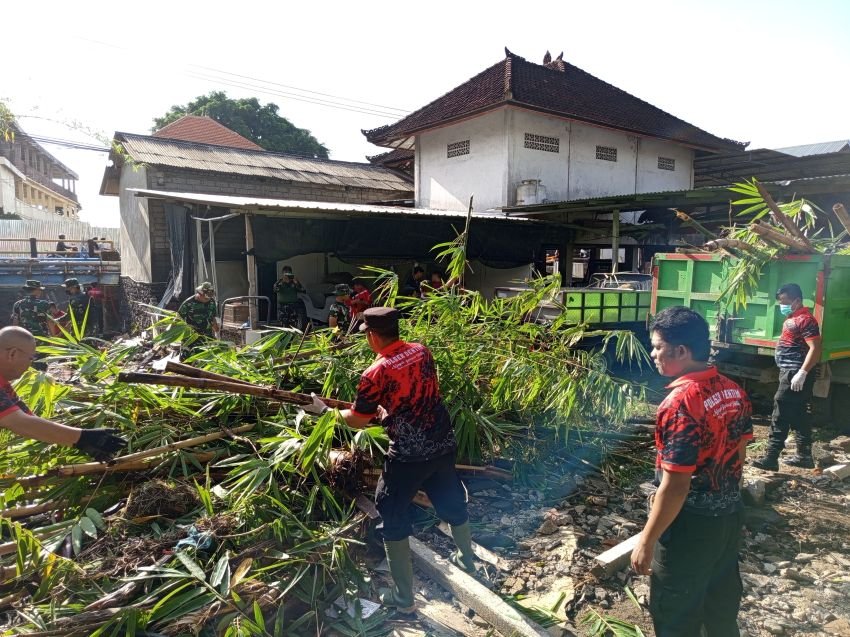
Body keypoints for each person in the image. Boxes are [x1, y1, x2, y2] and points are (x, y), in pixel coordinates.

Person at [305, 307, 474, 614]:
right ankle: (468, 560)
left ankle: (403, 598)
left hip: (408, 456)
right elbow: (418, 394)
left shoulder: (375, 374)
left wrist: (323, 412)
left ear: (371, 336)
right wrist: (385, 411)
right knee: (449, 498)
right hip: (443, 441)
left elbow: (356, 420)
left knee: (391, 513)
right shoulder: (422, 351)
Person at [631, 306, 752, 637]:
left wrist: (647, 540)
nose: (653, 354)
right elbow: (739, 454)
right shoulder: (733, 390)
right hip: (728, 516)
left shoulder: (680, 404)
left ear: (681, 351)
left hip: (690, 528)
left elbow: (676, 485)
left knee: (674, 614)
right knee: (720, 607)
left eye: (657, 346)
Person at [0, 326, 126, 460]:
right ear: (12, 354)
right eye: (31, 358)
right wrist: (82, 437)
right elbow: (19, 422)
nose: (30, 365)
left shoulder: (3, 384)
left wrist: (79, 439)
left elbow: (28, 418)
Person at [753, 283, 822, 470]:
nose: (781, 305)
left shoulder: (806, 320)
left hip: (795, 373)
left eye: (784, 301)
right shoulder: (793, 317)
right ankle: (804, 456)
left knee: (780, 412)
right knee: (799, 413)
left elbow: (815, 349)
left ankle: (770, 458)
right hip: (790, 371)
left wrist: (802, 372)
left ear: (797, 300)